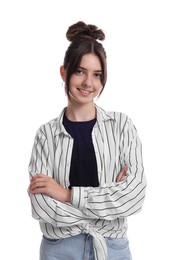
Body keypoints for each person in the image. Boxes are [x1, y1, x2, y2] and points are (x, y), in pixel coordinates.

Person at [28, 21, 147, 260]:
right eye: (80, 71)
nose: (88, 83)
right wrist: (108, 203)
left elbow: (134, 195)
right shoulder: (45, 135)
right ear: (64, 72)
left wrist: (66, 194)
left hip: (112, 249)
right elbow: (41, 205)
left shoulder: (122, 126)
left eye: (97, 75)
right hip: (60, 249)